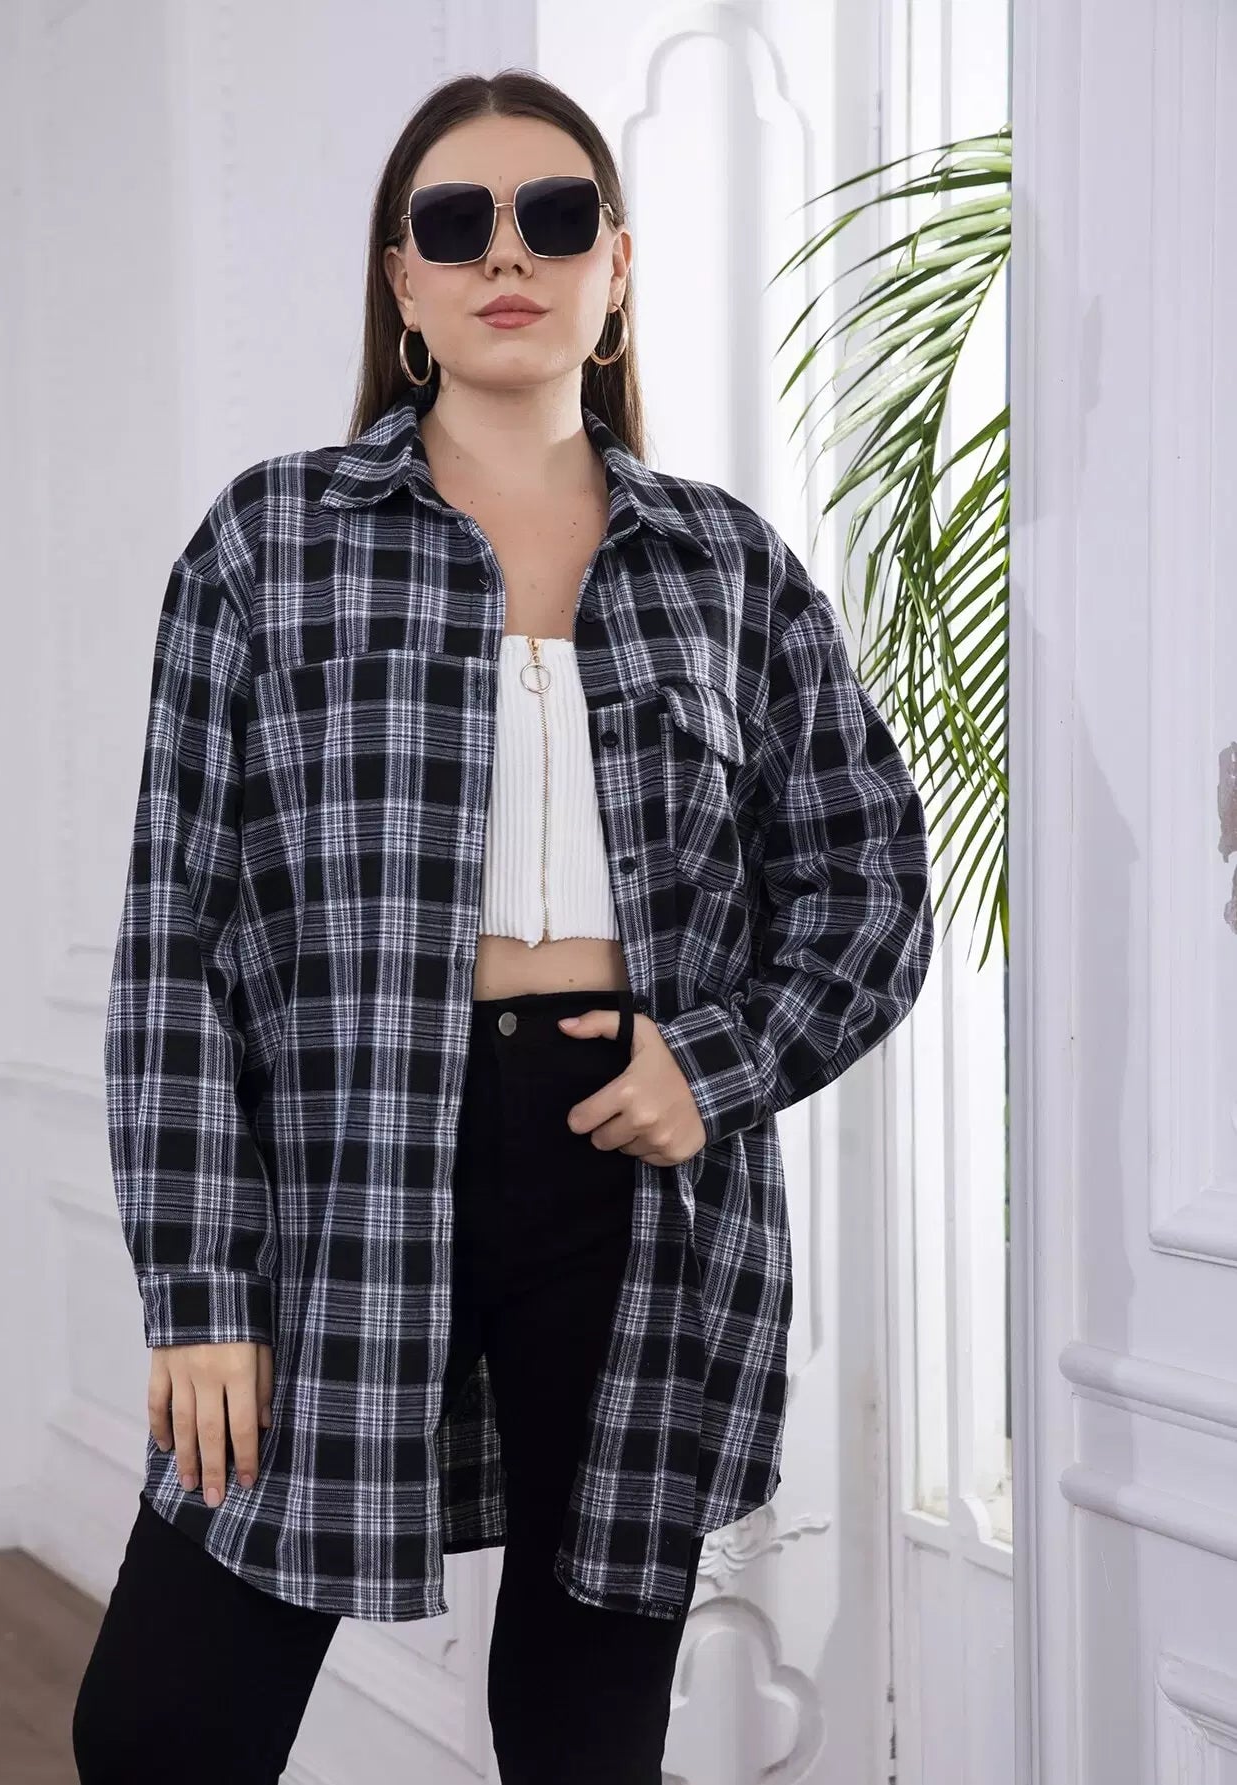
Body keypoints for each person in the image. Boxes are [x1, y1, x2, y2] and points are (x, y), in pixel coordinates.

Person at [72, 67, 934, 1785]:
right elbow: (179, 938)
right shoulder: (271, 542)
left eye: (552, 216)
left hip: (633, 1182)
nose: (507, 256)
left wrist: (714, 1066)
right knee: (165, 1723)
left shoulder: (728, 567)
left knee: (582, 1727)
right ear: (403, 281)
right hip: (351, 1170)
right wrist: (198, 1288)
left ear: (617, 266)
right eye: (457, 223)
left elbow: (871, 884)